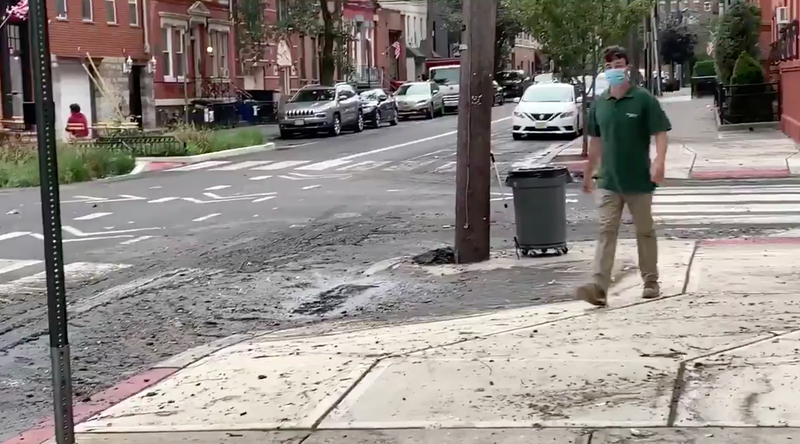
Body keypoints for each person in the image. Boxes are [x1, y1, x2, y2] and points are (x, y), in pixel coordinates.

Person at [575, 46, 672, 307]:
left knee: (644, 231)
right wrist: (588, 173)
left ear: (627, 67)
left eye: (618, 65)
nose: (613, 70)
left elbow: (660, 132)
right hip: (608, 181)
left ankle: (650, 281)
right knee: (606, 231)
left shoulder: (643, 99)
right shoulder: (600, 104)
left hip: (638, 179)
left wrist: (659, 162)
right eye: (609, 67)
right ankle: (599, 288)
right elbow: (596, 142)